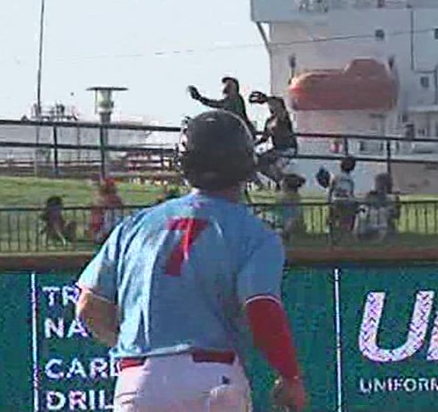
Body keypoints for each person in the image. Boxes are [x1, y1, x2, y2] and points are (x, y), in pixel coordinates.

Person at [75, 110, 308, 412]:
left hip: (137, 381)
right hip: (212, 378)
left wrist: (132, 346)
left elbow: (88, 306)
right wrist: (289, 376)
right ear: (246, 164)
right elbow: (261, 307)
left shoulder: (135, 226)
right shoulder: (254, 233)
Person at [187, 76, 256, 137]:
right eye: (226, 85)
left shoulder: (236, 99)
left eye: (229, 85)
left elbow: (218, 105)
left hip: (239, 131)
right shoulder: (228, 100)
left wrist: (200, 98)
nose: (226, 87)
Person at [254, 96, 299, 187]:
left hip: (288, 148)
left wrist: (267, 99)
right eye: (270, 105)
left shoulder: (283, 115)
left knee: (276, 167)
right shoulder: (269, 121)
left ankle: (285, 183)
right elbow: (264, 137)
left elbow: (280, 113)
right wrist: (253, 144)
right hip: (276, 149)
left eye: (273, 104)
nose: (271, 106)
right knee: (258, 163)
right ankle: (283, 182)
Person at [326, 156, 358, 238]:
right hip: (345, 201)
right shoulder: (349, 179)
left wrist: (329, 199)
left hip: (337, 200)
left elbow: (331, 188)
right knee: (344, 218)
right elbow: (350, 192)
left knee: (336, 218)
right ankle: (343, 233)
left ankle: (334, 233)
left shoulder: (337, 176)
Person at [89, 178, 126, 244]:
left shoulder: (117, 200)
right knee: (109, 215)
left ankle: (116, 233)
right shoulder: (100, 201)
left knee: (114, 214)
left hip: (113, 229)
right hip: (100, 233)